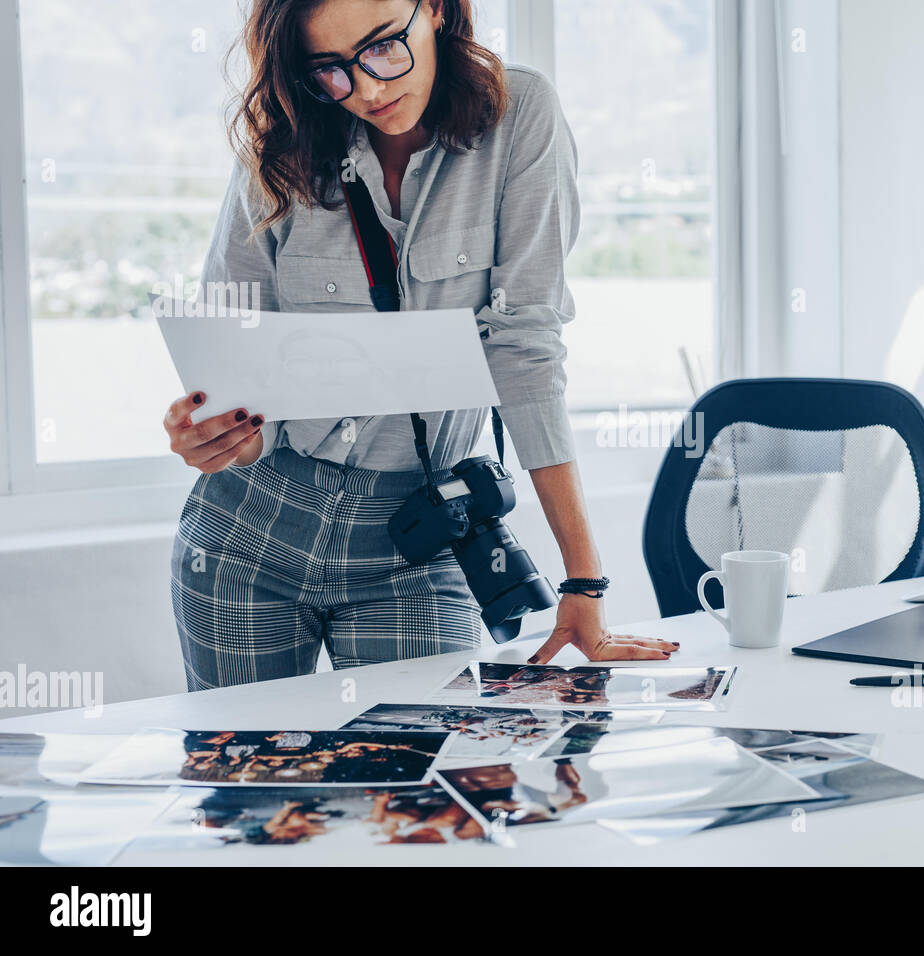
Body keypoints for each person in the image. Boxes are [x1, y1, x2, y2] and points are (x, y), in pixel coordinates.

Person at [161, 0, 678, 690]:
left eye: (382, 48)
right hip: (251, 526)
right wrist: (223, 435)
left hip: (421, 535)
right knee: (248, 788)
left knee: (426, 781)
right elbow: (239, 352)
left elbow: (525, 348)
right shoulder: (281, 142)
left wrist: (584, 579)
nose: (368, 89)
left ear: (434, 9)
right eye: (330, 70)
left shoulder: (521, 114)